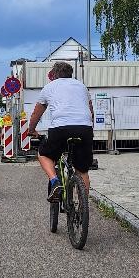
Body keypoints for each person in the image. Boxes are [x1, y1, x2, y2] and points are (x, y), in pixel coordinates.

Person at [27, 61, 94, 202]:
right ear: (71, 74)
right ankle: (83, 208)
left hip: (60, 129)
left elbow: (36, 115)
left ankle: (54, 181)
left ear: (54, 75)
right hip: (84, 128)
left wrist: (31, 130)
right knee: (82, 170)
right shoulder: (82, 87)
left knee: (44, 154)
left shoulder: (49, 87)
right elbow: (91, 111)